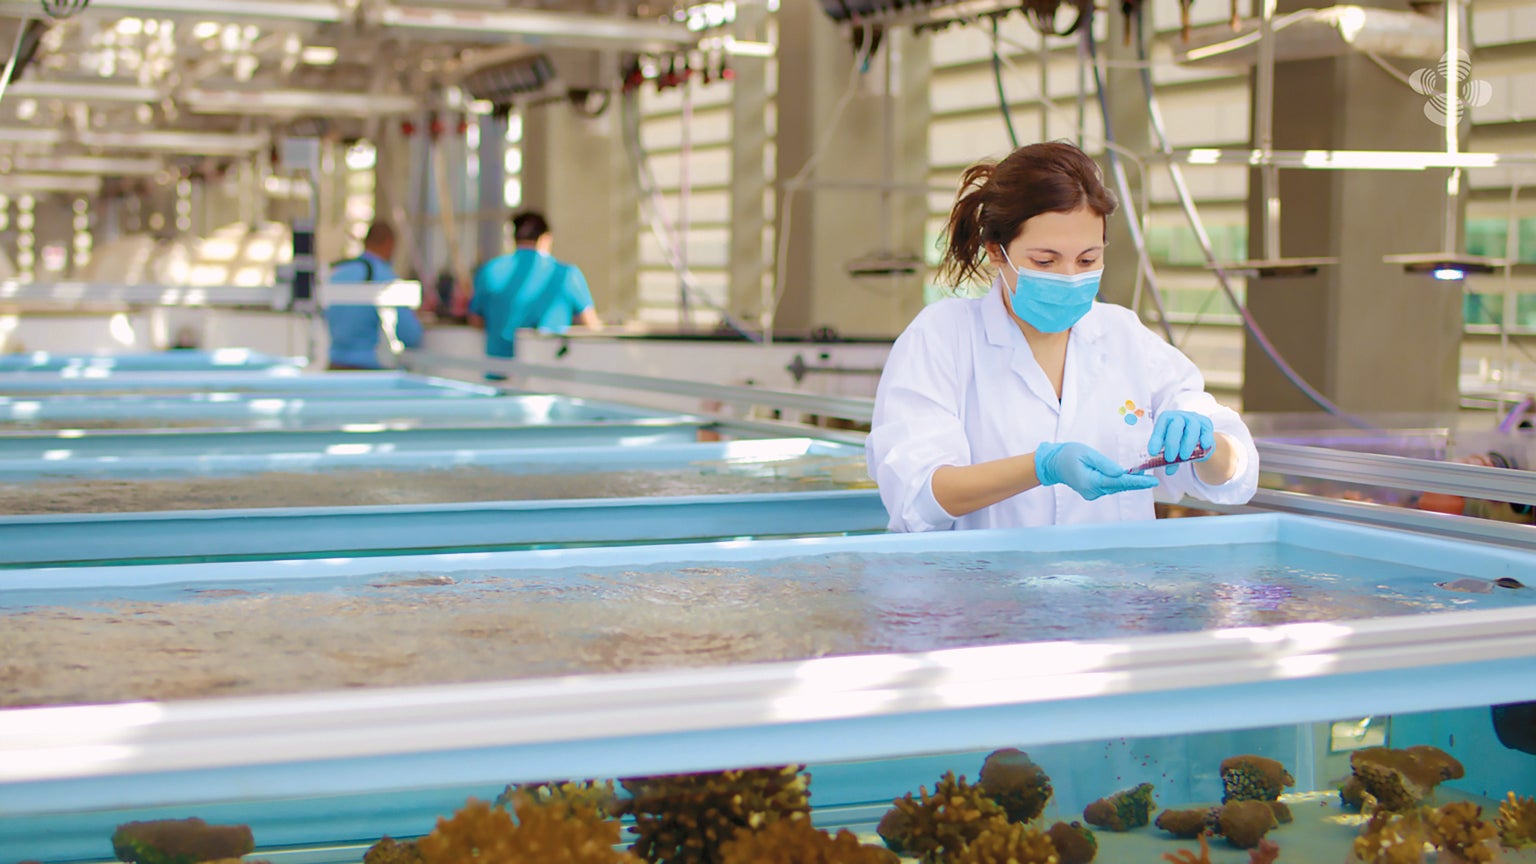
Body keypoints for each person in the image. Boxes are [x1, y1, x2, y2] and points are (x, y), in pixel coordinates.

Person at [866, 141, 1259, 532]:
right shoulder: (941, 338)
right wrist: (1042, 467)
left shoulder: (1124, 337)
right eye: (1045, 261)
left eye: (1088, 259)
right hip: (984, 591)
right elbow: (918, 497)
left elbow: (1235, 474)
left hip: (1110, 590)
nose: (1071, 276)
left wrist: (1206, 446)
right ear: (996, 252)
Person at [469, 211, 600, 367]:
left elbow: (476, 320)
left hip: (500, 369)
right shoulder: (565, 275)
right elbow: (591, 325)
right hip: (547, 373)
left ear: (514, 238)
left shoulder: (489, 271)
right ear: (546, 238)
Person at [324, 221, 424, 371]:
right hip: (372, 374)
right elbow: (410, 335)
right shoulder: (386, 279)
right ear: (389, 243)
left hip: (335, 370)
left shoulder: (337, 275)